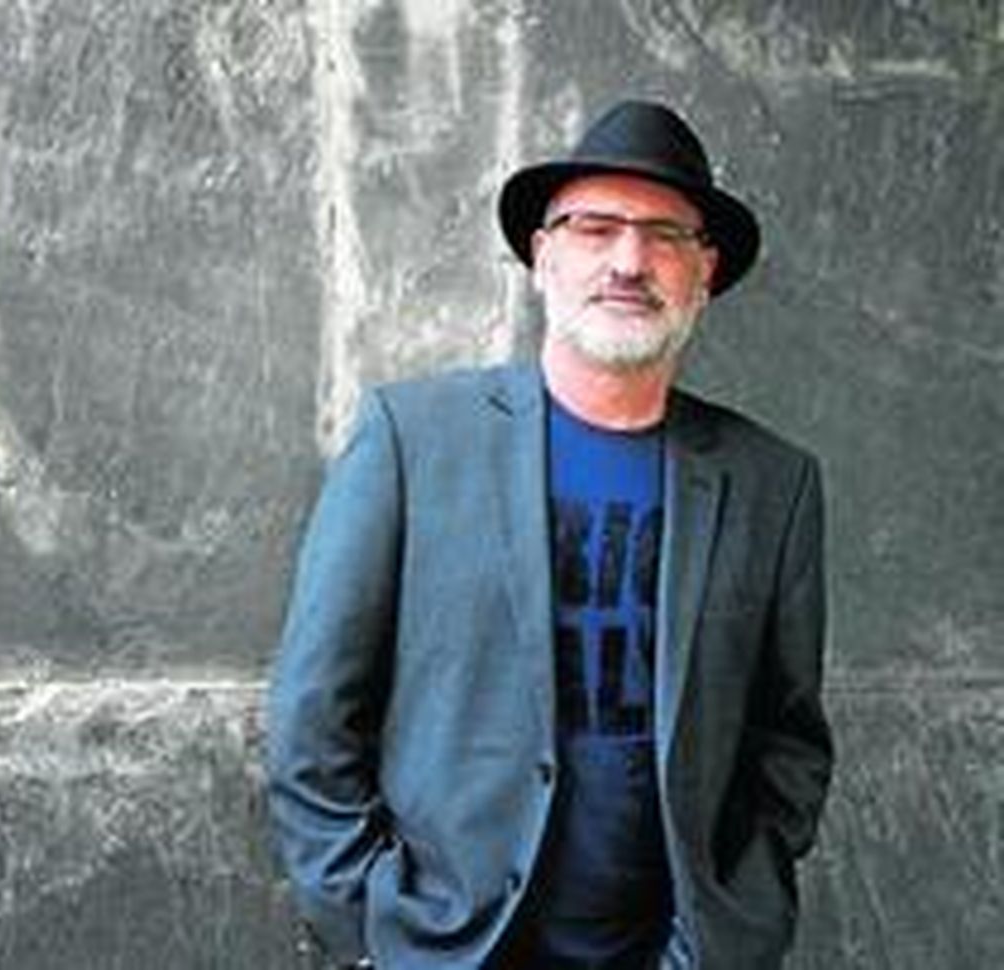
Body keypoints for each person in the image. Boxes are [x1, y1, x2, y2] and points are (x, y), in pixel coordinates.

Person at [266, 100, 832, 969]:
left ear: (704, 270)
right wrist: (371, 931)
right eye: (595, 228)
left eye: (664, 235)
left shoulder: (771, 483)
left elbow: (787, 745)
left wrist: (733, 929)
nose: (628, 261)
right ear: (542, 256)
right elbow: (314, 716)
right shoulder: (414, 442)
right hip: (446, 951)